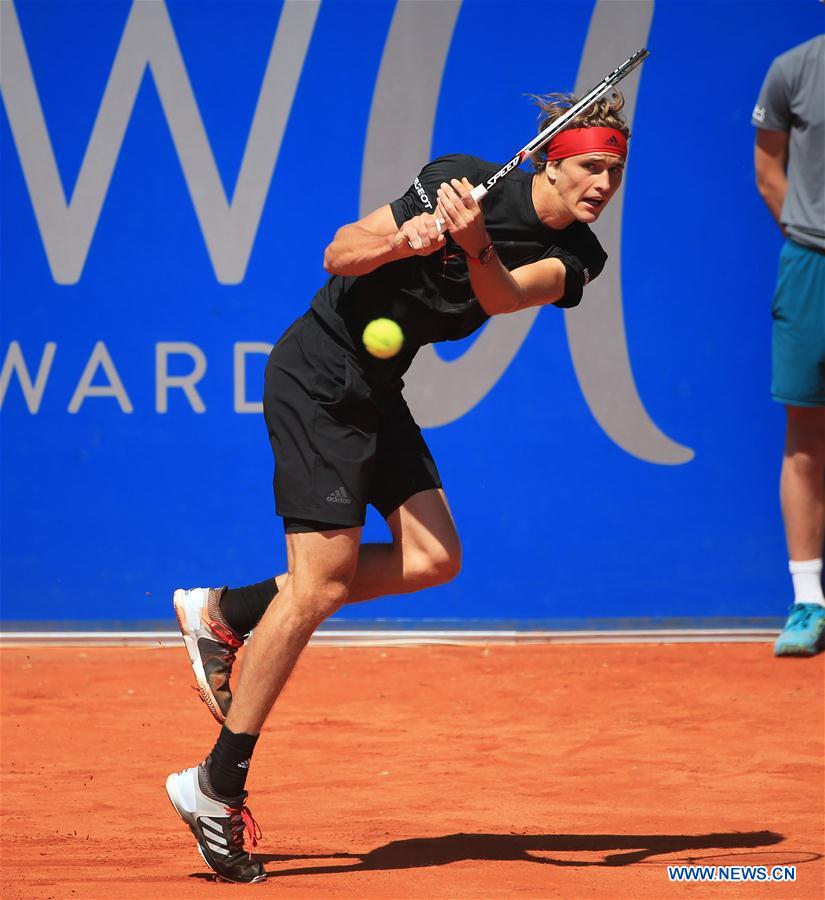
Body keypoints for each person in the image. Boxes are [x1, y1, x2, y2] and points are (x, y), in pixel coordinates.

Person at [165, 90, 630, 883]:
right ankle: (215, 782)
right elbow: (338, 252)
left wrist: (474, 244)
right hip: (319, 375)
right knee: (318, 588)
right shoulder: (458, 178)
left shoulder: (578, 255)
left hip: (377, 391)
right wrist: (402, 240)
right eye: (591, 167)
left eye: (615, 173)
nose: (603, 185)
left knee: (433, 556)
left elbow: (503, 296)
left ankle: (227, 610)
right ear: (551, 161)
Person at [752, 35, 825, 658]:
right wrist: (809, 235)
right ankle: (809, 601)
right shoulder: (794, 69)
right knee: (805, 434)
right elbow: (768, 168)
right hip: (811, 268)